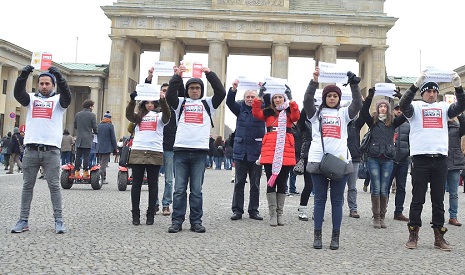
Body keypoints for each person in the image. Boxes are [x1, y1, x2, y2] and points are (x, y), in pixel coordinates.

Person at [400, 72, 464, 251]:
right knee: (417, 199)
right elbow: (402, 105)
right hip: (420, 159)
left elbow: (461, 106)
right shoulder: (415, 107)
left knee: (438, 201)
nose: (431, 94)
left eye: (434, 91)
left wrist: (458, 87)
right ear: (422, 93)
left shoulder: (444, 107)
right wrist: (414, 85)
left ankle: (439, 236)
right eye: (427, 91)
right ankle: (413, 234)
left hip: (440, 159)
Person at [303, 67, 362, 250]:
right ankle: (317, 235)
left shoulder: (344, 114)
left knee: (337, 201)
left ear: (338, 98)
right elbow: (306, 100)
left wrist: (354, 85)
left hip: (339, 162)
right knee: (320, 200)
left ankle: (335, 237)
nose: (332, 98)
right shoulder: (315, 114)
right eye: (329, 96)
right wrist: (313, 81)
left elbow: (358, 104)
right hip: (318, 160)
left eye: (335, 96)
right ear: (324, 98)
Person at [10, 65, 71, 234]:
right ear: (38, 85)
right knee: (27, 186)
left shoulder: (59, 101)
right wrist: (23, 76)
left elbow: (67, 96)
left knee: (54, 186)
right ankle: (23, 220)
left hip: (51, 150)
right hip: (31, 149)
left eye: (47, 83)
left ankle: (59, 220)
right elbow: (17, 94)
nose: (44, 86)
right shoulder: (30, 99)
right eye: (41, 83)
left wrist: (59, 76)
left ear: (53, 85)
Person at [166, 64, 226, 233]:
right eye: (191, 88)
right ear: (187, 90)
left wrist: (209, 74)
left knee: (197, 190)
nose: (194, 90)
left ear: (201, 90)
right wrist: (177, 76)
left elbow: (221, 92)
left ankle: (196, 221)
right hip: (181, 151)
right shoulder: (180, 103)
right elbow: (170, 94)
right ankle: (177, 221)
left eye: (197, 88)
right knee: (179, 190)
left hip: (200, 152)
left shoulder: (208, 103)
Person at [252, 84, 300, 227]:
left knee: (282, 182)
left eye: (280, 97)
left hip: (285, 151)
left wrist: (291, 99)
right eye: (275, 98)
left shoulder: (289, 112)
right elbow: (255, 112)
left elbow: (297, 115)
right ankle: (273, 214)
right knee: (270, 181)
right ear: (272, 100)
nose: (278, 100)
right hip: (270, 151)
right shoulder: (267, 113)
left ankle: (280, 214)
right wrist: (259, 96)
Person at [361, 88, 406, 229]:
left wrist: (401, 97)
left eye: (385, 106)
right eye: (380, 106)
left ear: (388, 109)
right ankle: (376, 217)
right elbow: (363, 112)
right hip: (374, 157)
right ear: (377, 108)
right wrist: (370, 97)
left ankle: (382, 216)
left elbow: (406, 114)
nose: (382, 108)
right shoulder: (372, 121)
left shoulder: (393, 122)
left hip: (387, 158)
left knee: (384, 189)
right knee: (376, 188)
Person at [126, 88, 170, 225]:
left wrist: (163, 100)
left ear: (156, 104)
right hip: (138, 151)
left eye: (152, 102)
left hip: (154, 152)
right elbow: (128, 115)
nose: (149, 105)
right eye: (147, 102)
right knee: (136, 185)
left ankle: (150, 214)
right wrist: (132, 101)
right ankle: (135, 214)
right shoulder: (138, 116)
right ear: (143, 103)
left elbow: (168, 115)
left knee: (153, 185)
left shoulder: (160, 116)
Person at [226, 81, 265, 221]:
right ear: (244, 98)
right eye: (247, 96)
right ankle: (237, 210)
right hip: (240, 151)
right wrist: (233, 89)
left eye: (252, 97)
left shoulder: (262, 109)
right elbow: (229, 102)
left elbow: (269, 101)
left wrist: (262, 90)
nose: (250, 99)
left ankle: (253, 210)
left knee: (255, 184)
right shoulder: (239, 109)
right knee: (239, 183)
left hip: (256, 152)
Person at [387, 103, 410, 222]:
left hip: (404, 160)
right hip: (390, 160)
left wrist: (409, 153)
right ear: (393, 111)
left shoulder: (408, 125)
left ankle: (398, 212)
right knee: (385, 187)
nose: (399, 111)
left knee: (401, 188)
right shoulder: (390, 123)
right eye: (397, 109)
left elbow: (411, 140)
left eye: (401, 109)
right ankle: (381, 211)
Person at [444, 115, 465, 226]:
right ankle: (437, 216)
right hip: (441, 163)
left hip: (455, 163)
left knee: (454, 193)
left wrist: (459, 114)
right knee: (438, 193)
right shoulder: (440, 127)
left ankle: (453, 216)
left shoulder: (458, 128)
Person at [296, 108, 314, 221]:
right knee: (309, 185)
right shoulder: (305, 123)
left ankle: (318, 211)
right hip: (308, 155)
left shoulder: (323, 121)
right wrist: (307, 103)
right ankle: (302, 210)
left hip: (323, 155)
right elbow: (301, 118)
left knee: (321, 187)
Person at [346, 114, 365, 218]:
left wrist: (364, 102)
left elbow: (364, 113)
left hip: (354, 158)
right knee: (337, 187)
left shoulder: (356, 124)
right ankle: (337, 207)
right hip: (340, 158)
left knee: (352, 186)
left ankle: (353, 209)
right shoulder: (340, 123)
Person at [73, 99, 98, 178]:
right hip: (87, 138)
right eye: (92, 106)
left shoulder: (78, 114)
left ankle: (76, 171)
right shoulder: (92, 115)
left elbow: (75, 126)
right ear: (90, 106)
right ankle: (85, 172)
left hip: (79, 138)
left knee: (78, 155)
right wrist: (96, 131)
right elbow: (95, 127)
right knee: (86, 156)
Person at [97, 111, 117, 184]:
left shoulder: (99, 125)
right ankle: (100, 178)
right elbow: (113, 138)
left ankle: (103, 177)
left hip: (99, 147)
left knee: (101, 162)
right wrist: (115, 147)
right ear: (109, 118)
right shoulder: (110, 126)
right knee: (103, 164)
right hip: (107, 147)